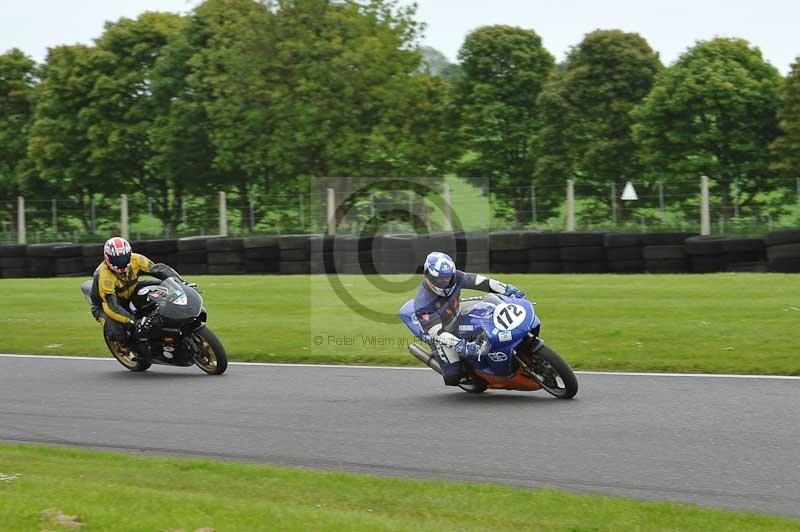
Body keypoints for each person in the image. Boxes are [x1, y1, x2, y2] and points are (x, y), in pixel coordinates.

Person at [414, 251, 526, 386]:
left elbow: (482, 282)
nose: (445, 281)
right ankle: (470, 371)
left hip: (456, 309)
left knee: (491, 299)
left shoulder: (457, 277)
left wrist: (508, 289)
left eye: (448, 277)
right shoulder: (422, 302)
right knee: (453, 376)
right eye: (440, 279)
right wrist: (461, 345)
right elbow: (436, 332)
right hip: (441, 331)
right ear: (428, 275)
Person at [88, 237, 181, 358]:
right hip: (105, 304)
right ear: (108, 258)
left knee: (162, 287)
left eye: (123, 258)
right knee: (117, 329)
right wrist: (132, 320)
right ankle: (127, 347)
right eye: (116, 259)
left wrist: (179, 283)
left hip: (130, 291)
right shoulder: (104, 276)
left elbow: (158, 269)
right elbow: (111, 306)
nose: (120, 262)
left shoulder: (137, 259)